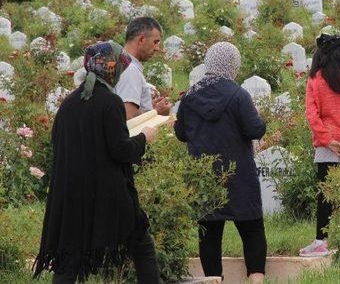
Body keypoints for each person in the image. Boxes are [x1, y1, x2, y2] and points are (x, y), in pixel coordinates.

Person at [33, 41, 160, 283]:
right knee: (141, 244)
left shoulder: (68, 104)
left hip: (71, 196)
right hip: (106, 196)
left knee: (69, 256)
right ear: (112, 69)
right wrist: (144, 137)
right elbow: (121, 151)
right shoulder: (110, 102)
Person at [174, 42, 266, 283]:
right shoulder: (238, 94)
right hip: (239, 175)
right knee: (252, 228)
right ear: (233, 64)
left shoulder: (190, 96)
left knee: (210, 234)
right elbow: (255, 129)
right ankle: (256, 280)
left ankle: (213, 280)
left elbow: (181, 133)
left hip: (205, 177)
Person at [300, 32, 340, 257]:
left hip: (327, 148)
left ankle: (321, 242)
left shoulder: (315, 80)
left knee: (325, 196)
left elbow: (312, 114)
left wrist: (329, 141)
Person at [115, 17, 172, 120]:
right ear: (141, 39)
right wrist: (156, 112)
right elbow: (128, 117)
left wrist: (148, 108)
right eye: (155, 42)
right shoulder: (130, 70)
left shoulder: (121, 63)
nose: (157, 48)